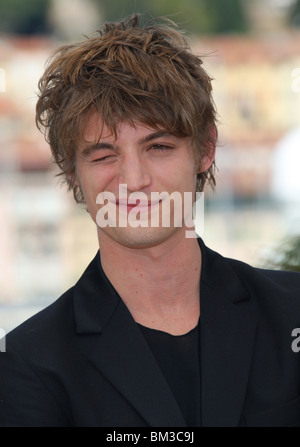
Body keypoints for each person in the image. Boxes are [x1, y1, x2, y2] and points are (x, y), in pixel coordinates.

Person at [0, 14, 300, 428]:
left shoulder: (292, 314)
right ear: (72, 172)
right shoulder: (28, 364)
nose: (134, 181)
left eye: (158, 146)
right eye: (104, 154)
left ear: (205, 149)